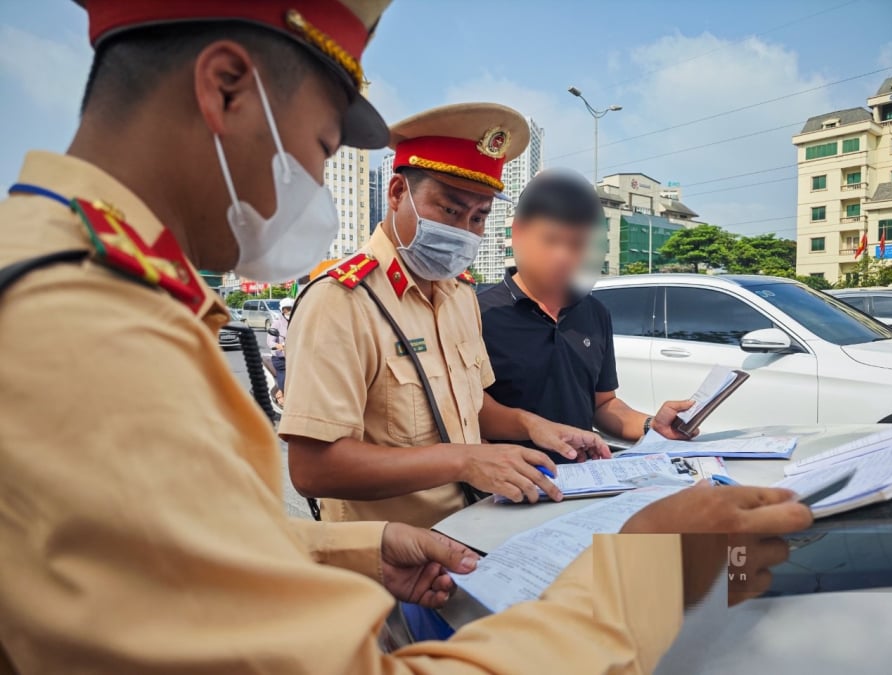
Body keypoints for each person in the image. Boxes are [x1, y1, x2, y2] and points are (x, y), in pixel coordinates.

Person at [0, 2, 813, 673]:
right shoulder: (88, 332)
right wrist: (647, 569)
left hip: (450, 548)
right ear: (225, 90)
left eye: (479, 215)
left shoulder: (101, 291)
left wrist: (359, 543)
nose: (316, 185)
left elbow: (190, 549)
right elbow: (301, 478)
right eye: (318, 150)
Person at [280, 103, 612, 528]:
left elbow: (473, 407)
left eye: (479, 217)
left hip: (470, 533)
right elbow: (313, 470)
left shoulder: (460, 297)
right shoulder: (342, 302)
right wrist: (462, 460)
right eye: (450, 210)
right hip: (391, 560)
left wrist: (535, 425)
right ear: (397, 192)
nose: (464, 232)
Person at [479, 169, 695, 462]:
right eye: (551, 241)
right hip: (511, 488)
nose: (564, 256)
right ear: (518, 234)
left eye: (577, 244)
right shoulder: (481, 314)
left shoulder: (595, 314)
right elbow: (469, 413)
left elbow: (603, 405)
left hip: (584, 480)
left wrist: (651, 425)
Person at [267, 296, 293, 404]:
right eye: (287, 309)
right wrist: (279, 346)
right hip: (280, 357)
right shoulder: (277, 323)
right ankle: (281, 393)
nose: (289, 311)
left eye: (292, 308)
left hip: (294, 356)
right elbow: (270, 342)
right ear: (282, 310)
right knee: (284, 372)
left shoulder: (297, 322)